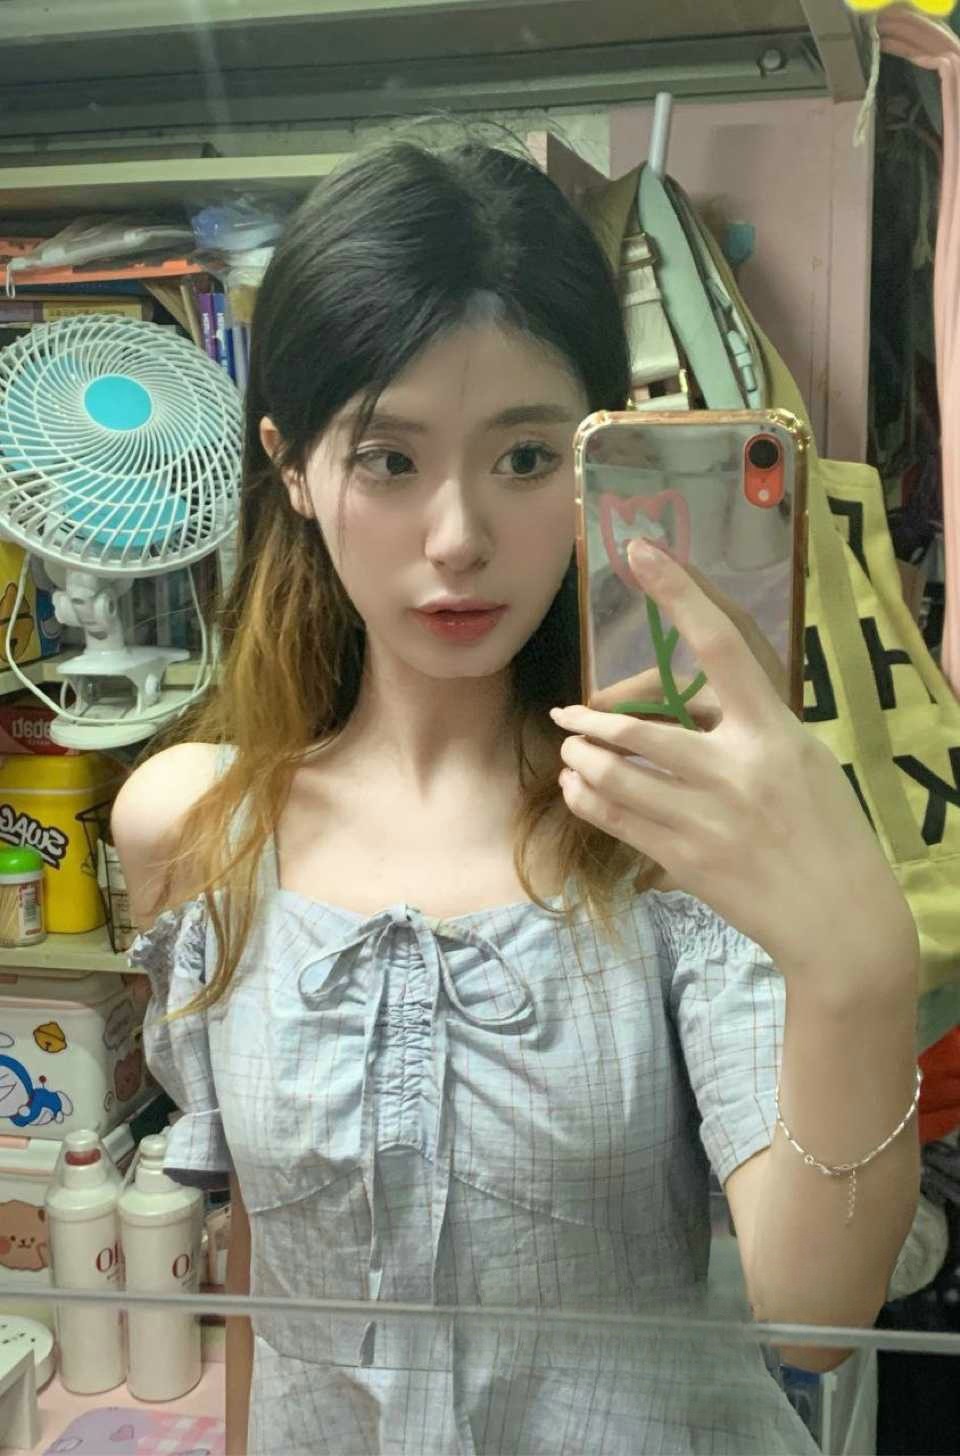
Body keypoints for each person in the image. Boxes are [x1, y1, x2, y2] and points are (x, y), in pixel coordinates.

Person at [113, 140, 921, 1456]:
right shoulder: (200, 830)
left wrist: (862, 969)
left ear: (600, 462)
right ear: (292, 466)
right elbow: (271, 1260)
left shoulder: (670, 830)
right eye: (389, 459)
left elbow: (815, 1317)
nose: (459, 539)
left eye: (527, 457)